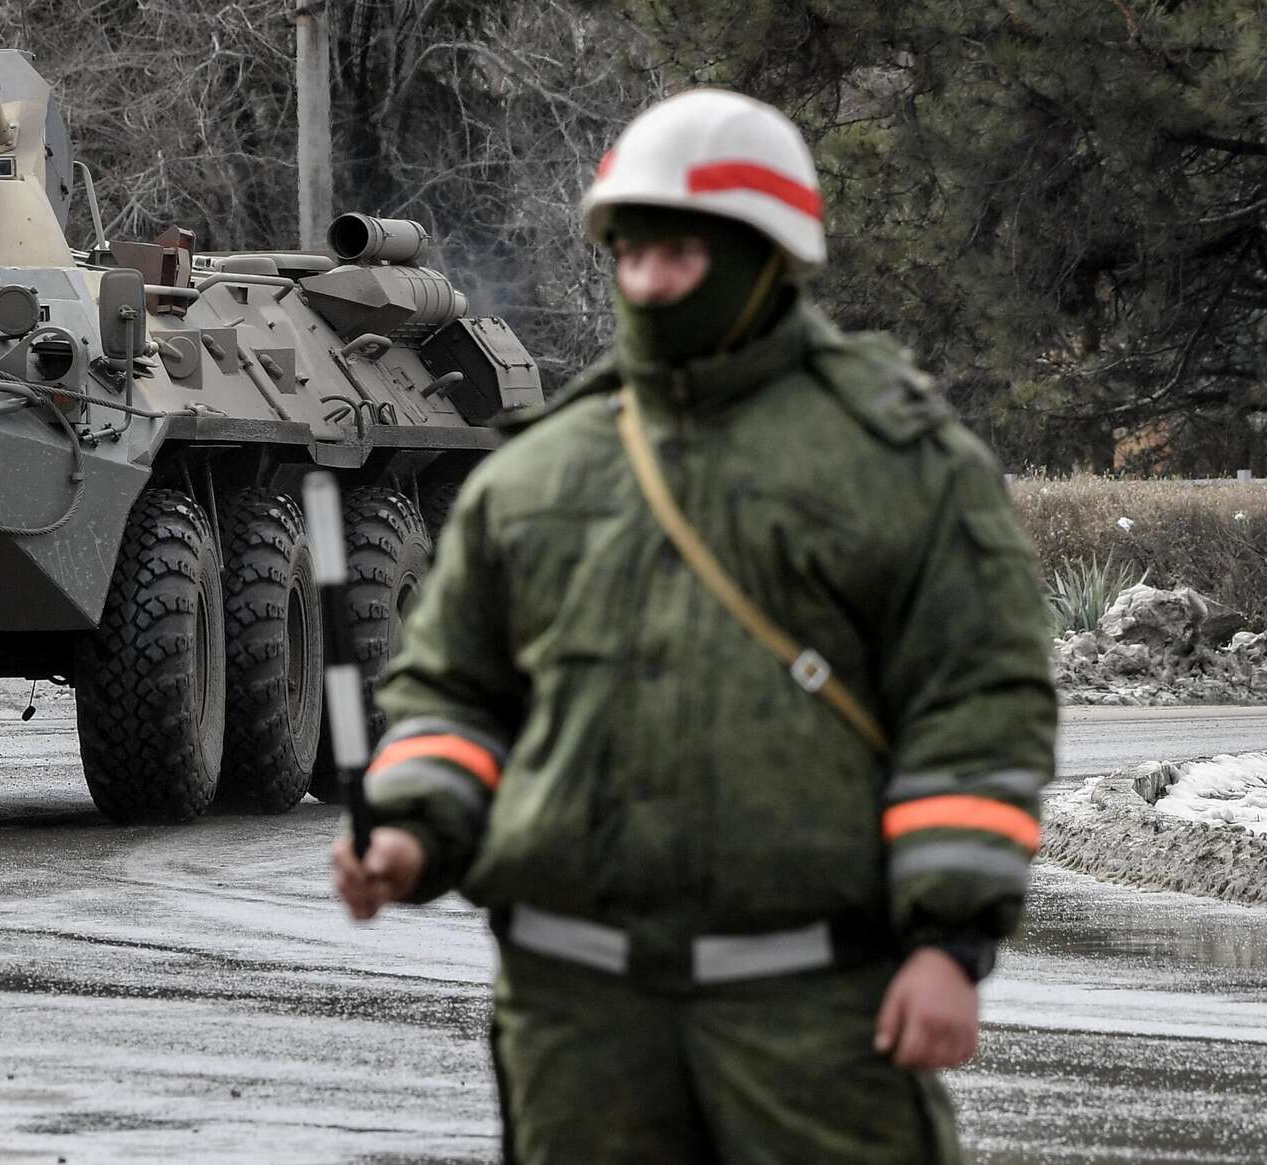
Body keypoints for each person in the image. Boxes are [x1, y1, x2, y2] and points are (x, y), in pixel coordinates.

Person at [331, 88, 1056, 1163]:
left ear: (766, 256)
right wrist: (407, 826)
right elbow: (456, 694)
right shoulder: (535, 475)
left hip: (812, 1010)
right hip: (577, 1021)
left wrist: (949, 943)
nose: (645, 282)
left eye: (677, 254)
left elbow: (974, 706)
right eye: (627, 251)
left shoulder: (895, 462)